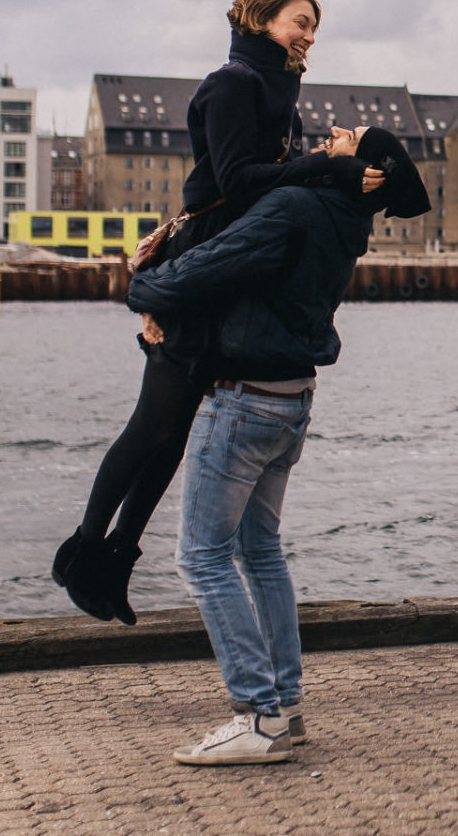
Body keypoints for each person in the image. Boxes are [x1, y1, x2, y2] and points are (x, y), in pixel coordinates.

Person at [52, 0, 381, 624]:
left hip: (228, 257)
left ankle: (118, 557)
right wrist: (323, 166)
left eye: (315, 26)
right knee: (153, 423)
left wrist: (324, 169)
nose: (309, 35)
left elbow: (266, 186)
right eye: (299, 21)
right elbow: (235, 181)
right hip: (204, 251)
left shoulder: (280, 92)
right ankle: (84, 550)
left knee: (175, 434)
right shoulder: (234, 82)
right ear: (261, 20)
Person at [124, 125, 431, 766]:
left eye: (348, 139)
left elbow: (205, 267)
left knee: (201, 557)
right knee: (259, 549)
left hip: (244, 401)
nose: (333, 133)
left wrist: (142, 286)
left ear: (366, 171)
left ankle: (258, 717)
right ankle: (285, 706)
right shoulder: (346, 219)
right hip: (292, 400)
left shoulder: (295, 207)